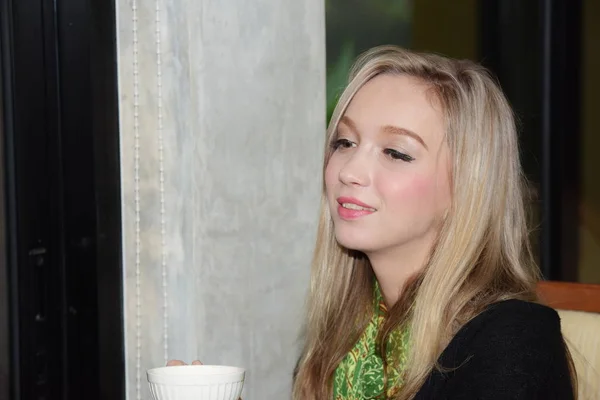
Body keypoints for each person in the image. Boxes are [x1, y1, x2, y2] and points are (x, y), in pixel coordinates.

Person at [169, 45, 577, 399]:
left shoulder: (513, 341)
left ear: (467, 187)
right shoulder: (345, 338)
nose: (350, 170)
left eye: (396, 152)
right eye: (344, 142)